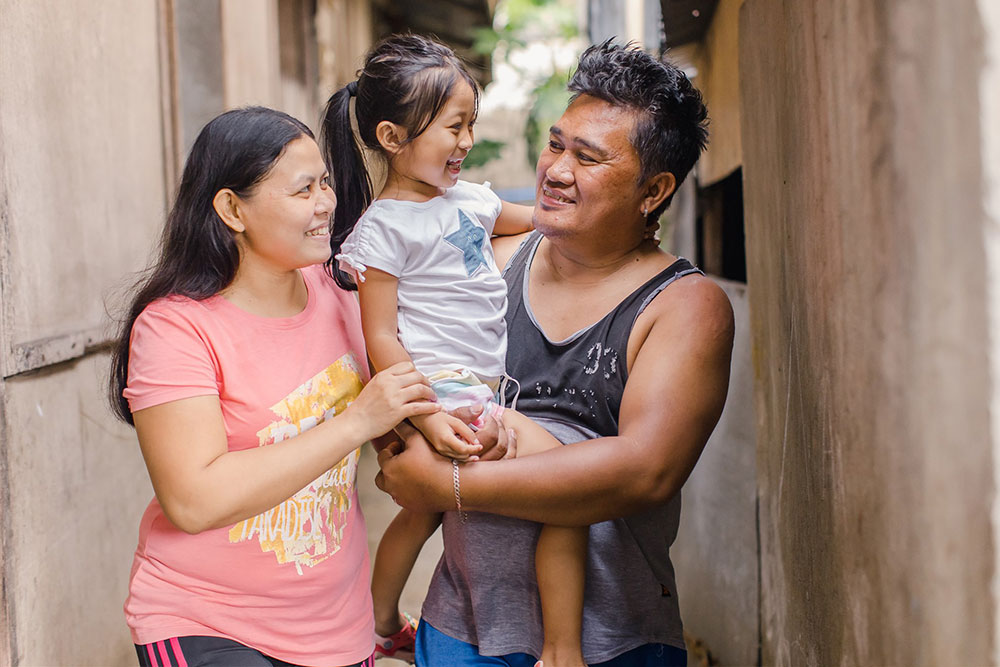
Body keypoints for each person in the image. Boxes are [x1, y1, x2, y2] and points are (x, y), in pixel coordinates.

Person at [375, 41, 735, 667]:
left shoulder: (682, 306)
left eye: (588, 158)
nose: (557, 170)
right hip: (461, 630)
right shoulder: (485, 268)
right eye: (556, 144)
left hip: (613, 642)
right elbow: (405, 375)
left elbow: (642, 471)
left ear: (654, 190)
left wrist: (448, 483)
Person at [107, 107, 442, 667]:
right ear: (232, 209)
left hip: (336, 628)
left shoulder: (342, 295)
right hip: (207, 619)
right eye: (302, 189)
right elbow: (193, 500)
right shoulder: (176, 327)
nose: (326, 203)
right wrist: (358, 422)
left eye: (326, 182)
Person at [321, 33, 591, 667]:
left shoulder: (470, 199)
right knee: (571, 493)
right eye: (453, 126)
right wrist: (423, 414)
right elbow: (380, 335)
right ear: (392, 138)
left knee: (425, 515)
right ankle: (561, 649)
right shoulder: (382, 229)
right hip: (439, 391)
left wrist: (583, 218)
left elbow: (532, 222)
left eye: (470, 123)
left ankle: (382, 625)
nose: (467, 141)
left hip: (482, 390)